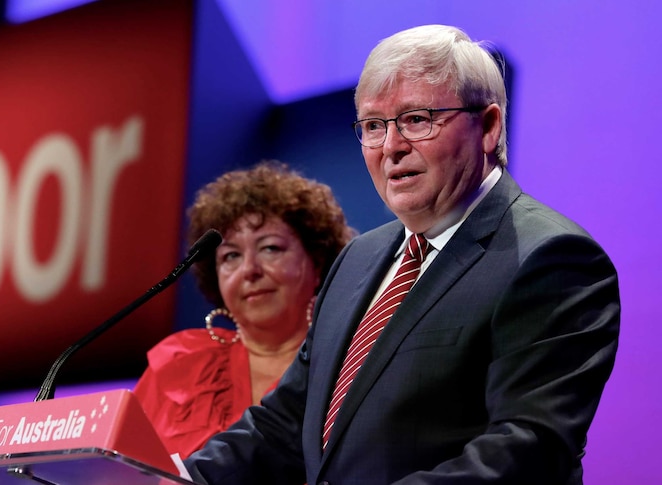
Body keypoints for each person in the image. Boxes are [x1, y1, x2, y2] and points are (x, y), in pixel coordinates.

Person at [183, 24, 620, 485]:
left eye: (417, 119)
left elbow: (528, 449)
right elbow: (286, 421)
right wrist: (174, 480)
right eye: (373, 126)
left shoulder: (550, 257)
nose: (391, 147)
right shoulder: (357, 259)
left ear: (489, 126)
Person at [133, 160, 356, 460]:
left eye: (270, 248)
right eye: (231, 256)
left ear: (316, 262)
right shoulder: (176, 367)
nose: (249, 270)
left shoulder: (352, 361)